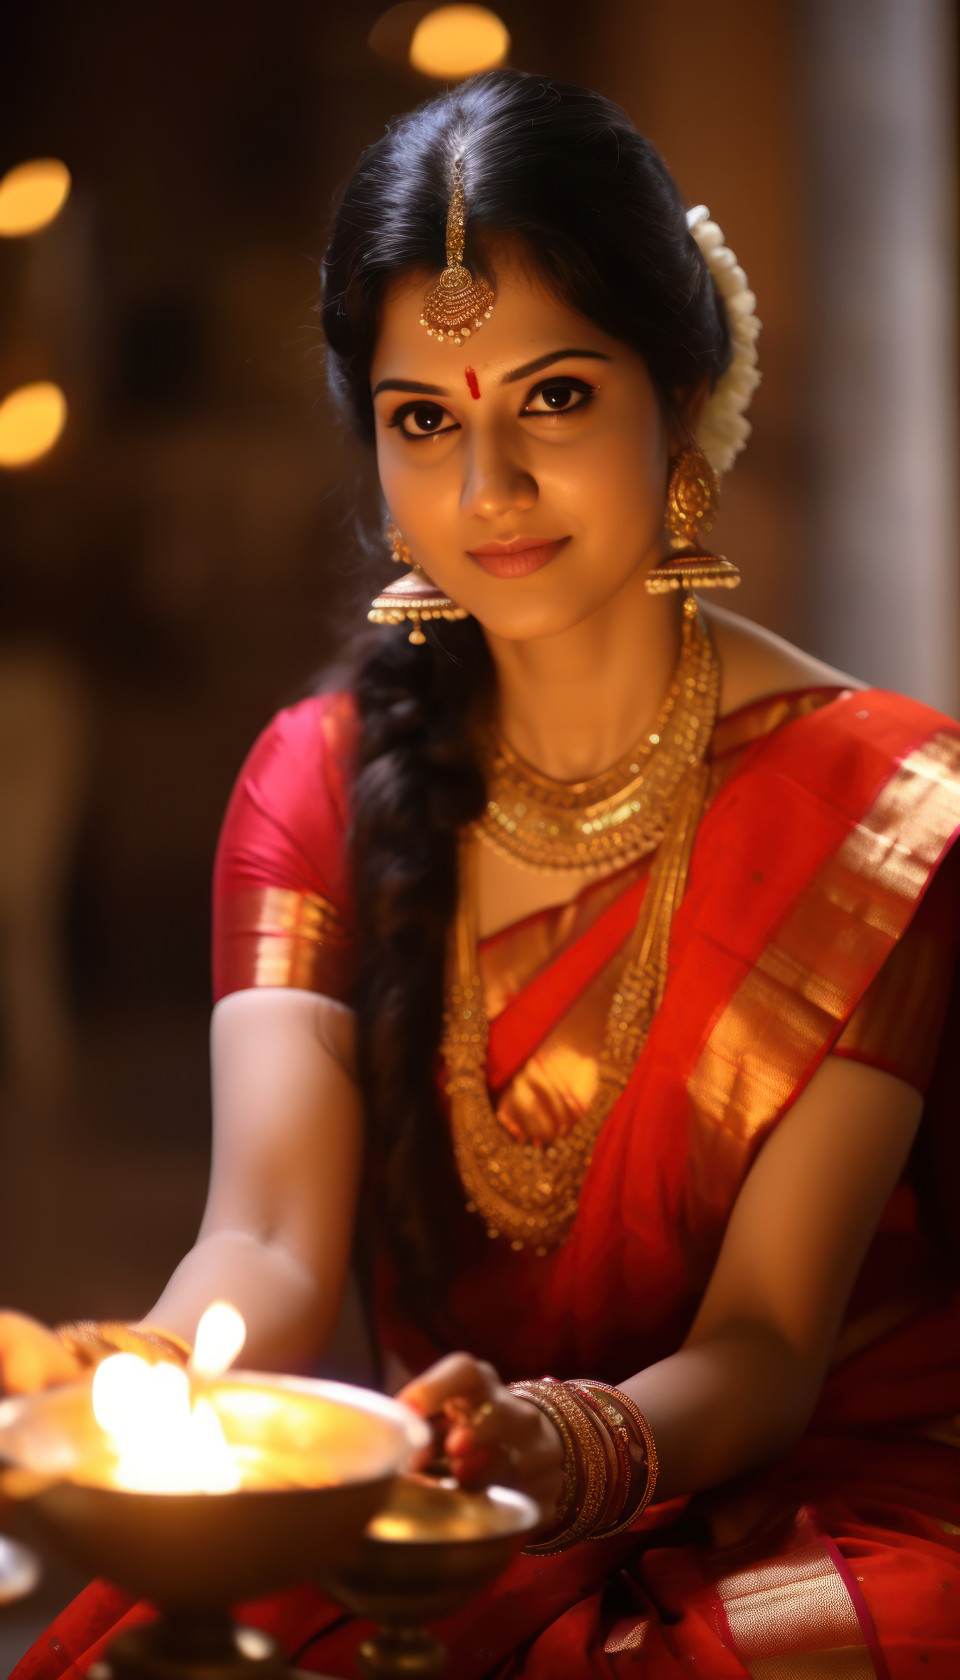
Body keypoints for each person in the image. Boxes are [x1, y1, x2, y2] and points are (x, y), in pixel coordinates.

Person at [6, 69, 960, 1679]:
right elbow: (273, 1245)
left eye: (559, 399)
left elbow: (769, 1349)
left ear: (684, 391)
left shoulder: (880, 809)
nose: (487, 489)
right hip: (453, 1497)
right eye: (425, 421)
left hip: (829, 1508)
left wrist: (559, 1450)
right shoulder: (314, 782)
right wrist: (141, 1375)